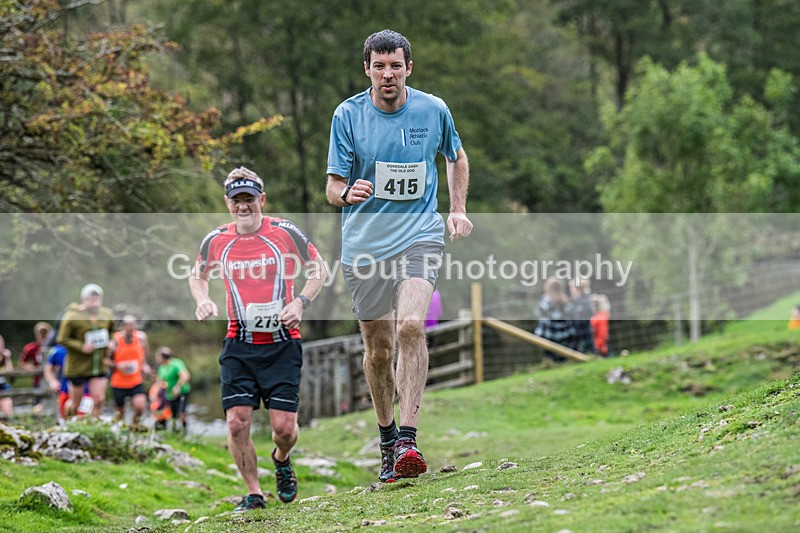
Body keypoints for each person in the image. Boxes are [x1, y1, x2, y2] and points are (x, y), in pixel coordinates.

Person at [325, 29, 472, 483]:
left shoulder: (433, 109)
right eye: (379, 65)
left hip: (420, 236)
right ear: (366, 69)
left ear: (409, 67)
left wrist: (458, 210)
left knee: (411, 326)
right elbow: (331, 188)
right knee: (378, 347)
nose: (387, 74)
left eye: (395, 65)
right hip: (365, 245)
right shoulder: (347, 115)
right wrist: (349, 192)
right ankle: (387, 438)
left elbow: (457, 157)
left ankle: (409, 437)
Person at [189, 166, 327, 512]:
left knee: (284, 429)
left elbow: (318, 269)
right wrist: (202, 299)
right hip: (239, 343)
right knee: (237, 421)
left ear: (261, 199)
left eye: (249, 199)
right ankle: (253, 492)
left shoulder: (283, 232)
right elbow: (197, 275)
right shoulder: (216, 239)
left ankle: (281, 458)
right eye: (237, 200)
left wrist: (300, 302)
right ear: (228, 203)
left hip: (282, 342)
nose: (243, 206)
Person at [56, 283, 114, 417]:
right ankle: (68, 425)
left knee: (99, 400)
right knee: (76, 403)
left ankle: (94, 429)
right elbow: (62, 339)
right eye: (91, 299)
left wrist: (111, 342)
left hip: (98, 364)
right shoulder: (72, 316)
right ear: (84, 299)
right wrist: (81, 346)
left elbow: (111, 331)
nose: (95, 302)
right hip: (78, 366)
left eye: (97, 298)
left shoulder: (107, 314)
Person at [107, 315, 151, 424]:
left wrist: (145, 365)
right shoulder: (115, 340)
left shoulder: (141, 338)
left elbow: (144, 353)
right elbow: (106, 361)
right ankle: (121, 431)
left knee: (140, 405)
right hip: (118, 382)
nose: (130, 328)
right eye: (128, 325)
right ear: (122, 326)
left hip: (135, 380)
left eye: (133, 325)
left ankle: (133, 427)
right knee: (120, 412)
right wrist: (118, 366)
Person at [534, 277, 574, 361]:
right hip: (564, 335)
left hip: (549, 335)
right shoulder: (566, 300)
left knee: (551, 357)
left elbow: (538, 312)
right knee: (563, 357)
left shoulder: (546, 301)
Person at [154, 346, 190, 433]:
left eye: (158, 356)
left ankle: (185, 432)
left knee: (182, 413)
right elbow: (159, 382)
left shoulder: (176, 363)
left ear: (163, 356)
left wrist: (178, 386)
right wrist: (154, 393)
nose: (156, 358)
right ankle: (174, 432)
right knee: (173, 415)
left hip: (182, 392)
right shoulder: (162, 367)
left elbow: (185, 375)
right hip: (170, 394)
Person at [20, 322, 52, 413]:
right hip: (38, 381)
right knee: (37, 403)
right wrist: (33, 369)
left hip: (53, 380)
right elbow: (23, 363)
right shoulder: (31, 348)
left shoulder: (53, 347)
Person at [43, 343, 70, 420]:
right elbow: (48, 369)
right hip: (65, 389)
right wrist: (52, 381)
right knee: (65, 417)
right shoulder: (58, 350)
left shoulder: (88, 347)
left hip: (87, 390)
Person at [566, 279, 594, 353]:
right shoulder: (574, 301)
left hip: (584, 332)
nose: (571, 290)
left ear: (577, 288)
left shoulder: (585, 300)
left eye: (572, 288)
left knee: (587, 351)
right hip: (576, 332)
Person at [0, 335, 14, 418]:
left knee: (8, 412)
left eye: (1, 345)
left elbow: (10, 371)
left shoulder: (4, 358)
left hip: (3, 386)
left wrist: (8, 358)